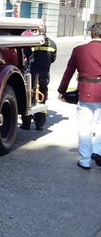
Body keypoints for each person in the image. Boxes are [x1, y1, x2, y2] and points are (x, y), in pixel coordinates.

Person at [58, 22, 101, 170]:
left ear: (91, 34)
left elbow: (69, 72)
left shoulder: (79, 50)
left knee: (84, 127)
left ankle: (85, 160)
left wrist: (62, 90)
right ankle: (97, 151)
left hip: (85, 93)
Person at [20, 31, 57, 130]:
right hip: (44, 74)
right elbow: (53, 59)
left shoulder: (31, 42)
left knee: (29, 98)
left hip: (31, 74)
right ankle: (39, 124)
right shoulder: (52, 43)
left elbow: (26, 56)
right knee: (42, 97)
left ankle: (26, 124)